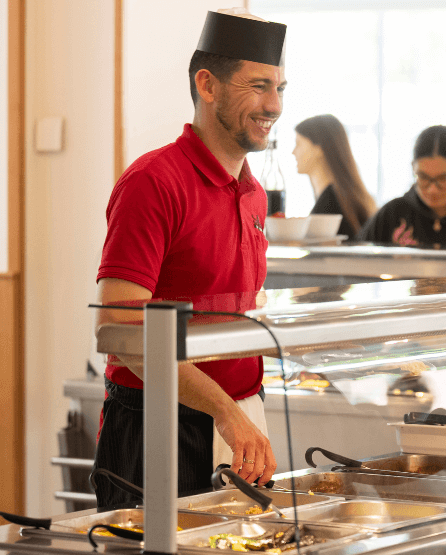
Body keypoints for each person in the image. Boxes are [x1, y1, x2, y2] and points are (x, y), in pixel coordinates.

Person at [92, 9, 286, 508]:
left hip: (239, 420)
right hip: (157, 424)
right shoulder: (153, 183)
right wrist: (225, 410)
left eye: (280, 88)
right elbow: (118, 327)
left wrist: (238, 411)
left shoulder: (254, 195)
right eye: (259, 86)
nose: (274, 105)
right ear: (207, 85)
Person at [292, 114, 377, 239]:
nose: (293, 152)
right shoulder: (342, 199)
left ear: (319, 148)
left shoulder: (330, 206)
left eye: (298, 144)